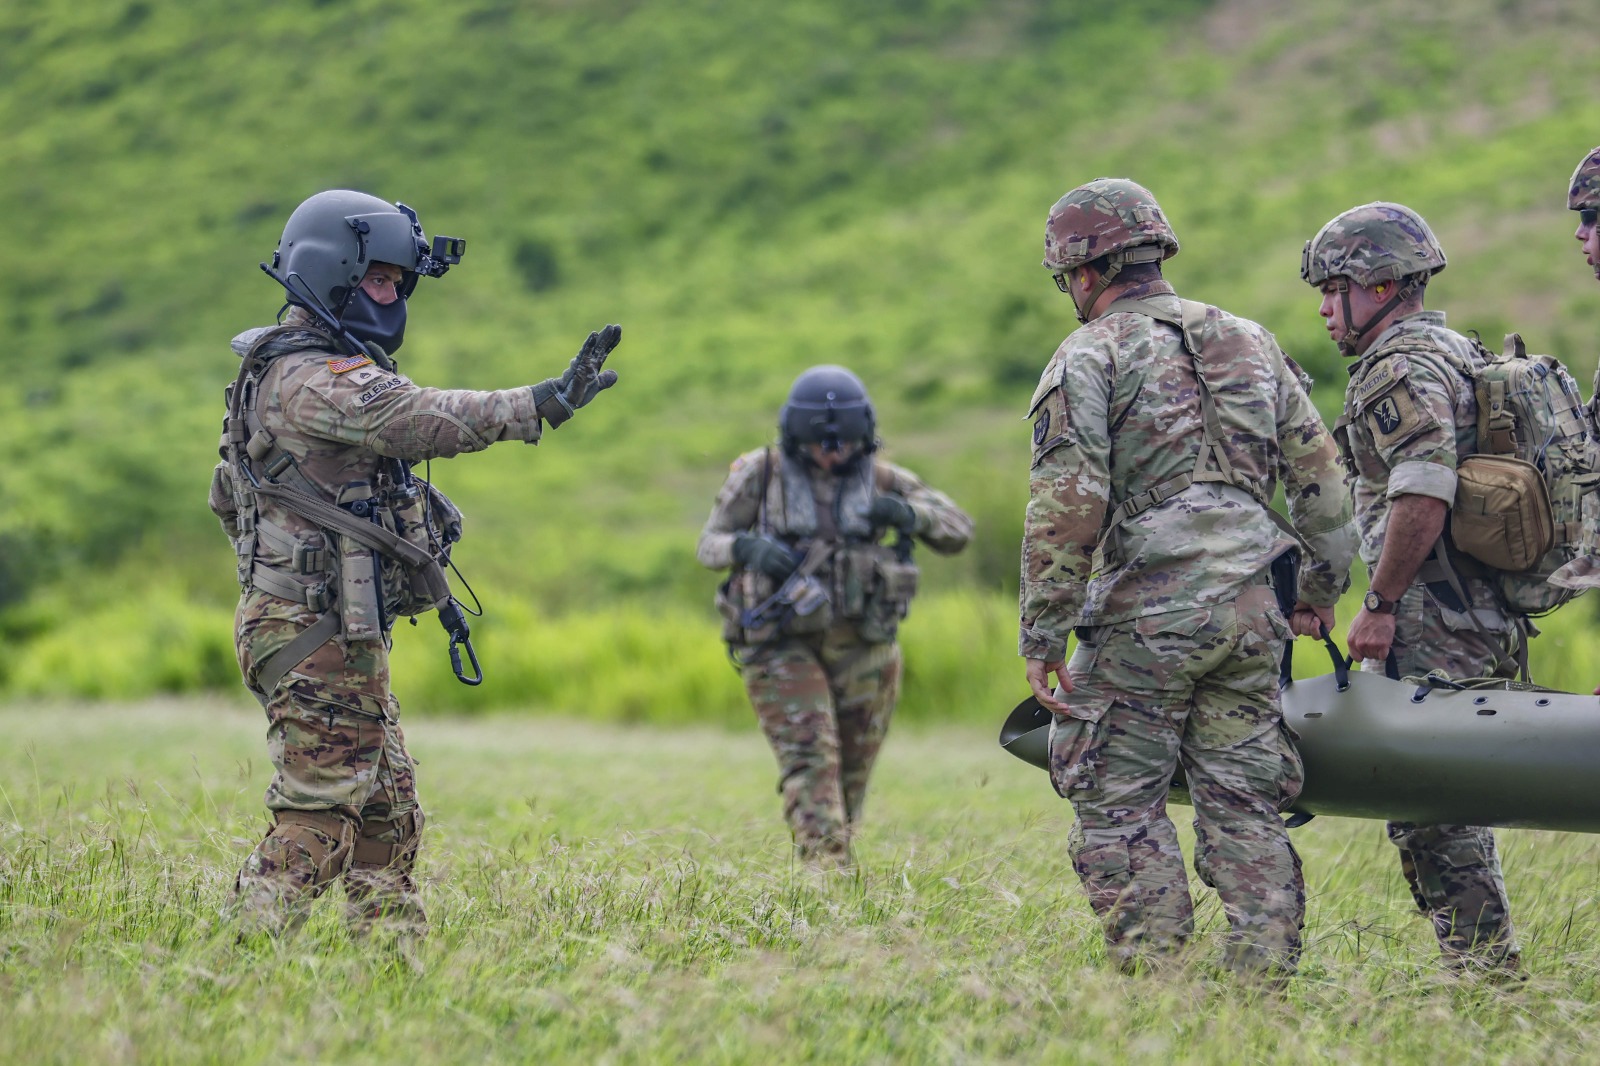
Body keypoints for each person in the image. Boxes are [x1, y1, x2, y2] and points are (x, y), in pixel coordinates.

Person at [208, 189, 622, 941]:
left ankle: (392, 972)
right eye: (378, 280)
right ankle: (235, 961)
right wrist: (542, 404)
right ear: (332, 270)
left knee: (389, 816)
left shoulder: (305, 368)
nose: (392, 296)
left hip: (329, 629)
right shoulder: (314, 381)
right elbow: (419, 416)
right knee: (321, 817)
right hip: (312, 633)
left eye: (400, 282)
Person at [1021, 178, 1356, 978]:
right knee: (1245, 801)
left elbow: (1068, 504)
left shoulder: (1087, 355)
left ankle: (1157, 982)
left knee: (1114, 799)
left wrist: (1043, 628)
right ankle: (1262, 983)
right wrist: (1318, 590)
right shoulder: (1250, 339)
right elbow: (1324, 480)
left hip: (1147, 615)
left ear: (1086, 270)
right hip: (1252, 612)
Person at [1301, 201, 1521, 973]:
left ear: (1384, 285)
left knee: (1432, 811)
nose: (1326, 311)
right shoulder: (1455, 350)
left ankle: (1486, 977)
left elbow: (1423, 488)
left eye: (1335, 291)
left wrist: (1381, 605)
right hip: (1478, 607)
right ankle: (1483, 970)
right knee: (1442, 798)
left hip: (1433, 611)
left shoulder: (1397, 365)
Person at [697, 367, 972, 865]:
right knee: (811, 758)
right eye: (820, 445)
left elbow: (958, 528)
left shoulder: (885, 479)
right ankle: (826, 874)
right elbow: (708, 544)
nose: (831, 454)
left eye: (843, 444)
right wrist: (747, 547)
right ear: (796, 438)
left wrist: (910, 515)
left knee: (852, 772)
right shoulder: (760, 475)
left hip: (865, 646)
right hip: (780, 643)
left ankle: (834, 868)